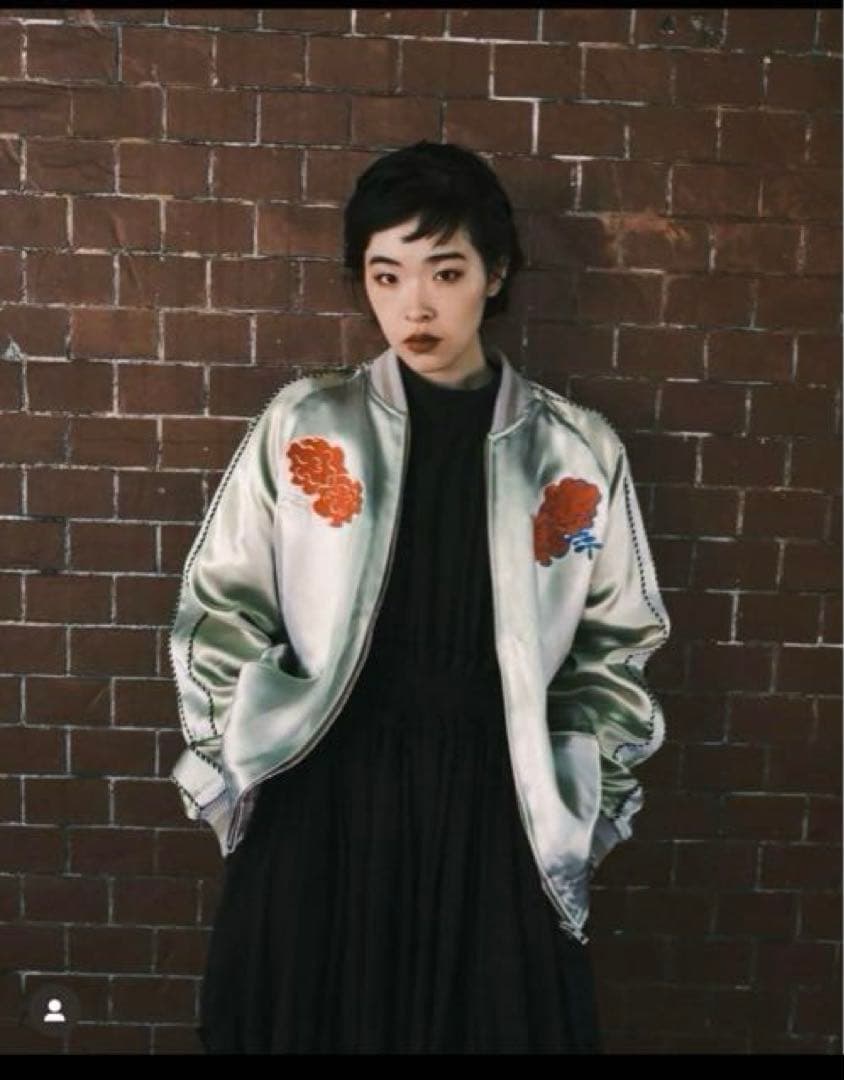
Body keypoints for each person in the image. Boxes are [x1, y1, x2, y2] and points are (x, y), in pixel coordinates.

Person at [168, 140, 671, 1054]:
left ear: (494, 274)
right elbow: (221, 605)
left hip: (499, 795)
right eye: (385, 275)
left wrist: (584, 788)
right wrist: (244, 753)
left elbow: (614, 641)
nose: (415, 306)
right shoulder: (308, 423)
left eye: (445, 272)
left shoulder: (573, 451)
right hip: (323, 786)